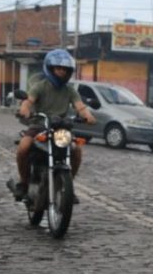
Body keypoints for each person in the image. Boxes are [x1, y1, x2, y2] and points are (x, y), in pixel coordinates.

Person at [8, 49, 96, 201]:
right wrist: (25, 110)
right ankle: (23, 183)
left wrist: (88, 116)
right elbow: (28, 101)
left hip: (60, 128)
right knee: (23, 147)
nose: (62, 72)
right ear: (50, 68)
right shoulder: (40, 86)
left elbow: (80, 106)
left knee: (76, 150)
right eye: (58, 68)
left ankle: (69, 186)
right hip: (39, 126)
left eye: (65, 69)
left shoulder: (70, 90)